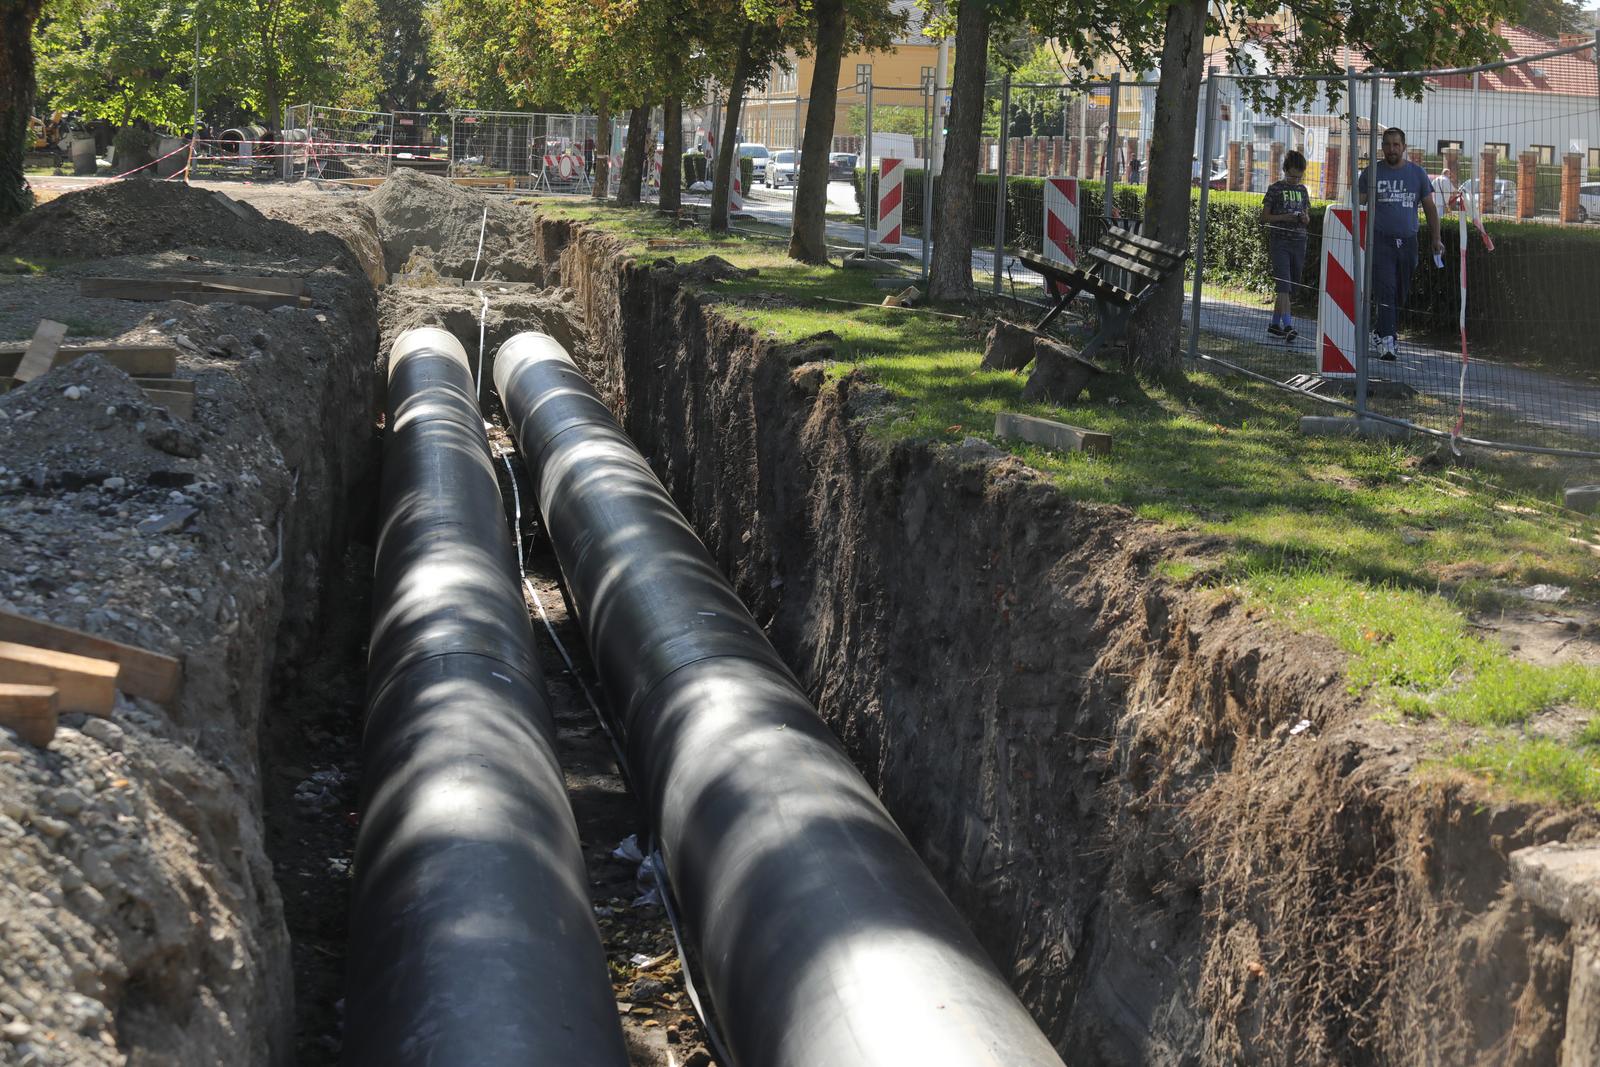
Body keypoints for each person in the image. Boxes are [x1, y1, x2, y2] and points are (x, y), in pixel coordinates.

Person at [1358, 127, 1444, 361]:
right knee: (1386, 290)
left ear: (1404, 147)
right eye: (1387, 144)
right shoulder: (1372, 172)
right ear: (1382, 147)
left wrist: (1436, 238)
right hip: (1380, 240)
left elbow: (1430, 209)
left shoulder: (1417, 174)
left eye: (1396, 145)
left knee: (1400, 293)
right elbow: (1357, 202)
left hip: (1408, 242)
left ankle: (1379, 330)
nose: (1392, 149)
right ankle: (1388, 341)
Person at [1260, 150, 1312, 342]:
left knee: (1290, 285)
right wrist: (1285, 217)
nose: (1295, 180)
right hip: (1280, 241)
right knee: (1284, 285)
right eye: (1291, 176)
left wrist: (1304, 218)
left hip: (1299, 241)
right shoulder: (1275, 189)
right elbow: (1264, 217)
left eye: (1299, 177)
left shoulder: (1303, 190)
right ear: (1284, 170)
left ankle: (1275, 324)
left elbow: (1307, 216)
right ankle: (1288, 325)